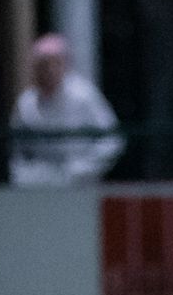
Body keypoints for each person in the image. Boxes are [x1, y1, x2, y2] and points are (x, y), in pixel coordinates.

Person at [8, 33, 123, 186]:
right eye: (42, 65)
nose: (49, 70)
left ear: (65, 64)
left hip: (82, 184)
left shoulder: (84, 95)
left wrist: (83, 168)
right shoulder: (26, 102)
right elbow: (16, 148)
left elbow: (112, 139)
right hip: (38, 185)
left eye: (55, 63)